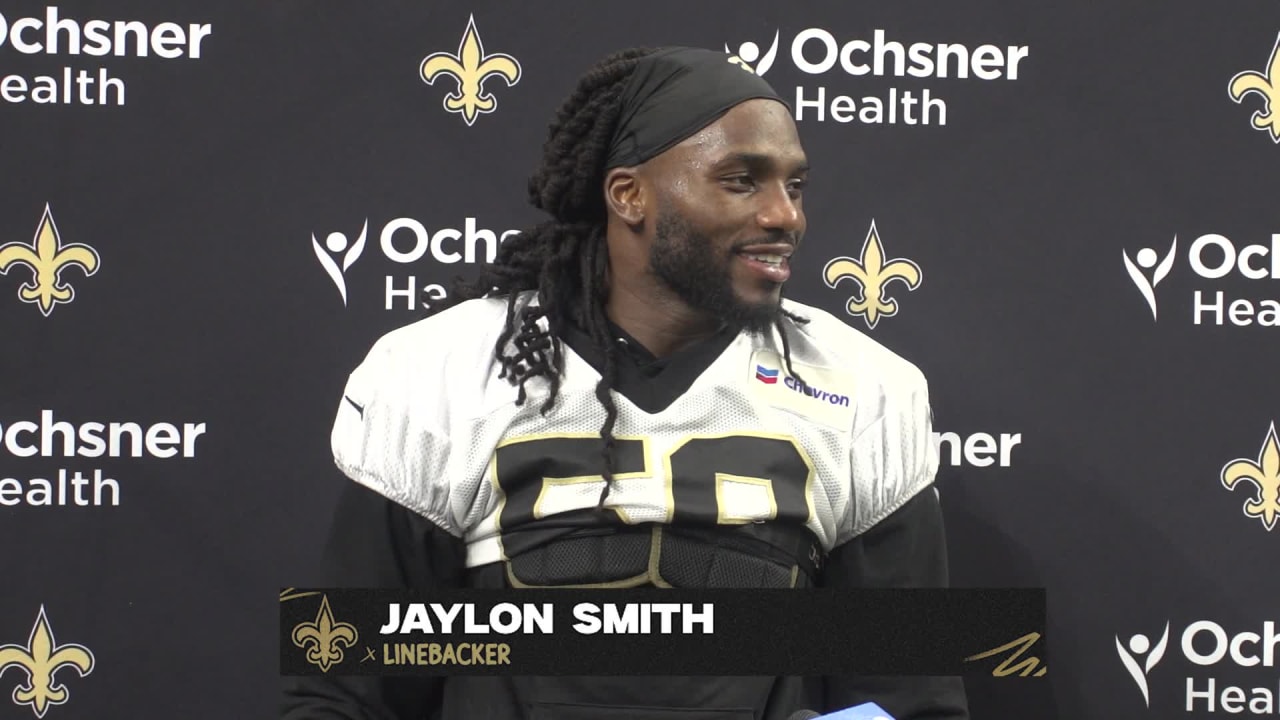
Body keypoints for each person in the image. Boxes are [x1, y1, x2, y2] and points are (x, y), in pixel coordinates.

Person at [281, 45, 968, 719]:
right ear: (629, 195)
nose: (784, 215)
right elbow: (346, 688)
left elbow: (906, 697)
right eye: (741, 180)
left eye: (794, 185)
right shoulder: (445, 367)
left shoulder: (862, 386)